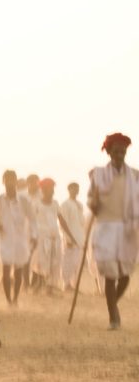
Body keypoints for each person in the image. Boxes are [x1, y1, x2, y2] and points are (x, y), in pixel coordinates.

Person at [87, 133, 139, 330]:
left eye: (123, 151)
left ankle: (112, 303)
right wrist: (96, 201)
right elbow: (92, 205)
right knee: (110, 274)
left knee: (125, 275)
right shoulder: (98, 175)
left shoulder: (135, 175)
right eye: (116, 151)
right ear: (108, 152)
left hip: (127, 229)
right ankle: (114, 318)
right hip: (106, 228)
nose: (120, 155)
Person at [0, 169, 30, 306]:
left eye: (12, 179)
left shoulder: (23, 200)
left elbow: (32, 218)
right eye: (7, 180)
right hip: (5, 239)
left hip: (20, 240)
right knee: (6, 269)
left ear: (16, 181)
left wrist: (33, 235)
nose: (9, 183)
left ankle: (15, 298)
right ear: (3, 182)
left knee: (18, 271)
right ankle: (8, 300)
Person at [32, 178, 62, 293]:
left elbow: (61, 219)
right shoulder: (37, 204)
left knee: (54, 262)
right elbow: (31, 221)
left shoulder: (55, 203)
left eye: (53, 188)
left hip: (55, 236)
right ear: (43, 190)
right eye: (50, 188)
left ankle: (49, 288)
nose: (53, 191)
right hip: (42, 237)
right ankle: (38, 286)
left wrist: (71, 236)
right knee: (41, 262)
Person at [59, 182, 85, 291]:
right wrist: (67, 238)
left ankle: (74, 285)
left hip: (79, 237)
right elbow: (62, 222)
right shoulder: (65, 204)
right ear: (69, 189)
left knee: (77, 262)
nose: (76, 190)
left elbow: (81, 222)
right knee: (68, 261)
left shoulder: (79, 204)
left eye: (77, 188)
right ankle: (66, 284)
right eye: (73, 188)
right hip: (70, 238)